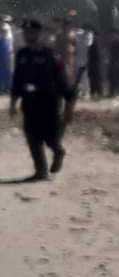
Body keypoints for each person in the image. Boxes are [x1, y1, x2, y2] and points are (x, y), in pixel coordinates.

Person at [10, 19, 76, 181]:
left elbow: (60, 80)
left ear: (38, 34)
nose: (27, 35)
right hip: (29, 102)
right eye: (25, 32)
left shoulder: (50, 54)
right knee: (32, 136)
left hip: (48, 102)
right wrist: (13, 102)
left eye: (31, 32)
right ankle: (41, 170)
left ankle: (58, 150)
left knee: (50, 135)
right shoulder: (22, 54)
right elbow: (17, 79)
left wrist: (68, 102)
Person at [108, 29, 119, 96]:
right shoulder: (112, 42)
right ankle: (111, 92)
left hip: (117, 63)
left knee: (118, 78)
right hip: (112, 63)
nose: (113, 36)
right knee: (112, 78)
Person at [86, 26, 103, 96]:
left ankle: (97, 92)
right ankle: (96, 92)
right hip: (94, 65)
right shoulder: (94, 44)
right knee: (94, 79)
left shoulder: (95, 44)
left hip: (95, 65)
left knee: (95, 79)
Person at [0, 15, 12, 94]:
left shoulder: (6, 27)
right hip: (3, 45)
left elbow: (4, 32)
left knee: (6, 69)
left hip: (4, 45)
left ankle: (7, 88)